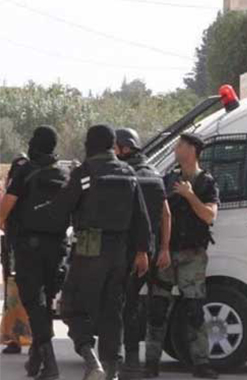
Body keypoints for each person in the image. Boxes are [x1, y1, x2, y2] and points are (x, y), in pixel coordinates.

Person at [44, 124, 152, 380]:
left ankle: (93, 362)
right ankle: (111, 371)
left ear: (90, 144)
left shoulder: (85, 173)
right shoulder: (128, 172)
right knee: (112, 312)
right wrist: (142, 251)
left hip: (89, 253)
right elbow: (141, 217)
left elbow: (60, 209)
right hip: (120, 254)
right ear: (113, 144)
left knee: (71, 308)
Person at [144, 133, 219, 379]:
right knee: (157, 309)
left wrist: (190, 196)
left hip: (192, 255)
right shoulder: (167, 180)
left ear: (192, 149)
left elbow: (209, 216)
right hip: (167, 253)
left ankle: (201, 364)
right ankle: (151, 364)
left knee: (195, 310)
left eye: (180, 145)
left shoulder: (206, 182)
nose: (176, 149)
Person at [0, 127, 70, 380]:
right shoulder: (64, 172)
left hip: (29, 248)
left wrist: (7, 227)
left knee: (33, 303)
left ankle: (49, 363)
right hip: (58, 247)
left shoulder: (25, 171)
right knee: (46, 301)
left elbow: (5, 207)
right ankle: (36, 359)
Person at [114, 128, 171, 380]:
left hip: (131, 253)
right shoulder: (156, 175)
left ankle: (131, 359)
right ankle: (151, 364)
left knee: (128, 305)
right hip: (156, 252)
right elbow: (167, 215)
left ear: (125, 148)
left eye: (115, 148)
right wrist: (165, 248)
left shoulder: (126, 176)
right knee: (156, 307)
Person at [0, 153, 33, 357]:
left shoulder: (15, 185)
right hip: (34, 245)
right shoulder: (34, 183)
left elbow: (3, 216)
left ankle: (16, 338)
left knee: (14, 293)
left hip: (15, 245)